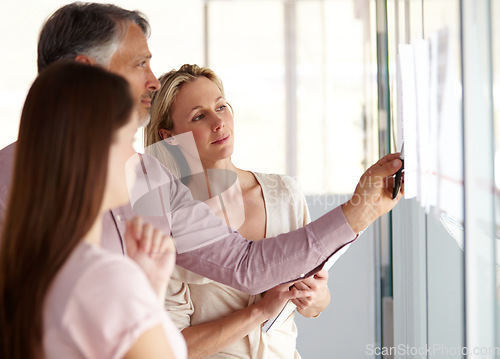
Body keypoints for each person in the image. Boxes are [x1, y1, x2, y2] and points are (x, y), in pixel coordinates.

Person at [0, 2, 404, 295]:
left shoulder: (152, 180)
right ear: (86, 72)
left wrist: (362, 207)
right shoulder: (7, 184)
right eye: (140, 64)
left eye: (221, 107)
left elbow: (244, 266)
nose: (153, 81)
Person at [0, 62, 186, 359]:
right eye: (128, 140)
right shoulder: (103, 278)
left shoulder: (29, 269)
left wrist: (148, 288)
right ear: (93, 153)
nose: (136, 158)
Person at [144, 64, 330, 358]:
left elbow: (318, 303)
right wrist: (259, 311)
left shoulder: (284, 194)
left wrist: (316, 298)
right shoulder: (166, 220)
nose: (219, 122)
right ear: (169, 137)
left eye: (221, 107)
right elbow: (176, 346)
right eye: (199, 116)